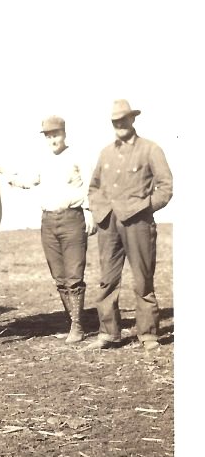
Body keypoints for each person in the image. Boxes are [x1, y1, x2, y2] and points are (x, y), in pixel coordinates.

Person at [87, 99, 173, 351]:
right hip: (108, 224)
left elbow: (165, 187)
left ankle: (147, 334)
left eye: (123, 119)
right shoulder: (105, 153)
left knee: (142, 280)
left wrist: (144, 208)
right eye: (115, 121)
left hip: (138, 224)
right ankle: (108, 333)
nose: (119, 124)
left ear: (133, 120)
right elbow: (94, 187)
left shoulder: (150, 149)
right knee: (107, 280)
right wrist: (100, 209)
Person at [8, 115, 96, 343]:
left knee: (74, 275)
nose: (52, 140)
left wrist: (89, 212)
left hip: (72, 220)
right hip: (48, 222)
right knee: (59, 277)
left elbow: (90, 186)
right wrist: (7, 176)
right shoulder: (43, 160)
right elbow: (30, 181)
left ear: (64, 134)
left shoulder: (77, 156)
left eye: (55, 135)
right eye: (48, 136)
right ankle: (71, 322)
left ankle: (77, 326)